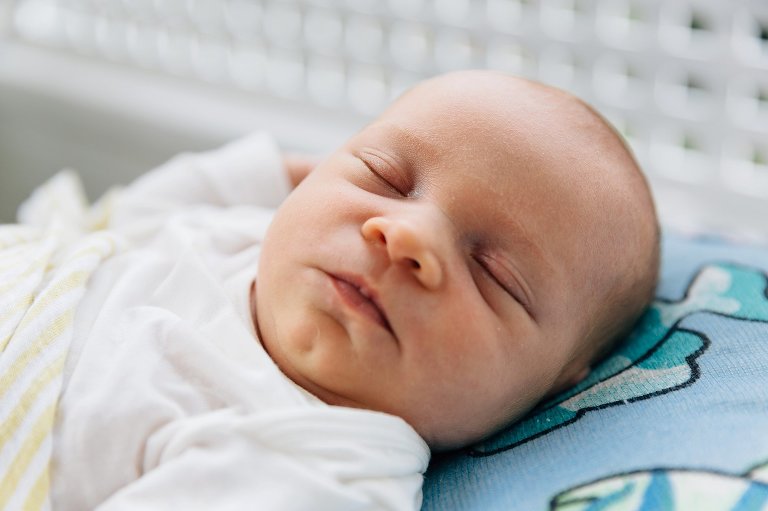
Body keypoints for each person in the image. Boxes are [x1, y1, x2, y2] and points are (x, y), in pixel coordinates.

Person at [42, 70, 658, 510]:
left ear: (554, 384)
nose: (406, 235)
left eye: (494, 274)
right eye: (387, 177)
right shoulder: (240, 235)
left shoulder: (317, 463)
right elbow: (137, 211)